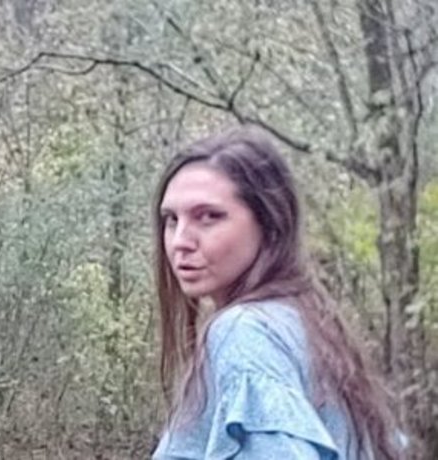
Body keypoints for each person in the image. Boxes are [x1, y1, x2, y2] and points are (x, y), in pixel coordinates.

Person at [151, 126, 401, 459]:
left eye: (209, 217)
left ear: (270, 225)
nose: (181, 241)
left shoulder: (244, 332)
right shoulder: (306, 323)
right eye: (171, 219)